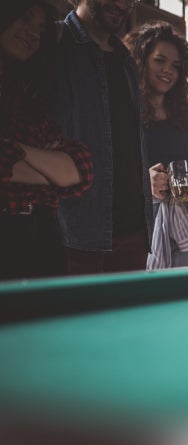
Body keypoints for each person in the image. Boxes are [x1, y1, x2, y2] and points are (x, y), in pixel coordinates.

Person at [53, 0, 154, 274]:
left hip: (133, 230)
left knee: (130, 318)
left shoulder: (126, 61)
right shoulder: (55, 42)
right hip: (76, 230)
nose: (123, 4)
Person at [1, 0, 93, 280]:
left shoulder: (28, 101)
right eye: (26, 20)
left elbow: (82, 170)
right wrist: (49, 171)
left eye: (40, 29)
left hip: (41, 241)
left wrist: (14, 150)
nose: (33, 33)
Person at [123, 22, 188, 268]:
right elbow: (109, 172)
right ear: (141, 61)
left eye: (176, 66)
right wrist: (145, 181)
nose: (168, 71)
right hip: (139, 231)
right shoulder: (124, 115)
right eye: (160, 61)